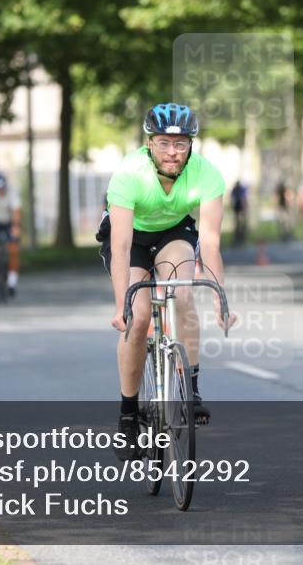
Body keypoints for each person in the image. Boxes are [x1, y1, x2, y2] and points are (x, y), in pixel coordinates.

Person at [97, 102, 237, 461]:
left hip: (173, 232)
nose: (173, 152)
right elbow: (122, 245)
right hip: (132, 238)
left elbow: (210, 245)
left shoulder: (207, 174)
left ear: (192, 144)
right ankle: (128, 415)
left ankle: (190, 390)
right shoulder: (129, 174)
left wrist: (221, 298)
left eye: (181, 144)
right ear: (149, 144)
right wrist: (120, 307)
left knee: (183, 292)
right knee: (140, 315)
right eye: (163, 143)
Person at [229, 180, 247, 246]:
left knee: (239, 223)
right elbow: (243, 199)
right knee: (238, 223)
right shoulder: (237, 190)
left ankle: (240, 236)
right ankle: (239, 236)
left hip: (238, 208)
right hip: (238, 208)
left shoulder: (237, 190)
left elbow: (233, 199)